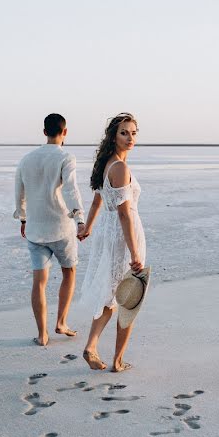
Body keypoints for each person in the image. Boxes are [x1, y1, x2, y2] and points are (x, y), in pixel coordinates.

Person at [77, 113, 146, 372]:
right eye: (124, 133)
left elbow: (97, 201)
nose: (130, 138)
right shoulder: (119, 167)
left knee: (111, 294)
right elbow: (124, 213)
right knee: (128, 298)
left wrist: (88, 228)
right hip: (122, 236)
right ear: (113, 136)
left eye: (133, 133)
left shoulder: (107, 164)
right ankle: (116, 361)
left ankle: (92, 346)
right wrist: (135, 252)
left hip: (109, 233)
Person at [14, 113, 85, 346]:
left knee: (39, 282)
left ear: (44, 132)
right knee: (69, 273)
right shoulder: (66, 157)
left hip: (35, 230)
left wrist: (22, 219)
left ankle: (42, 334)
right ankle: (61, 322)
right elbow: (71, 190)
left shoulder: (26, 159)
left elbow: (19, 192)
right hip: (62, 228)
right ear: (65, 132)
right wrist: (80, 218)